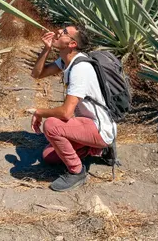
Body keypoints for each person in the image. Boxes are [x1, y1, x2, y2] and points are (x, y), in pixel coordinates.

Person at [30, 25, 117, 192]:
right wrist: (46, 49)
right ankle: (97, 149)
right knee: (49, 156)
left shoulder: (80, 69)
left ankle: (76, 172)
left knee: (51, 125)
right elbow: (37, 74)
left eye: (64, 33)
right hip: (86, 123)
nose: (58, 32)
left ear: (72, 44)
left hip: (99, 127)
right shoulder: (66, 61)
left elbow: (66, 113)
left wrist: (39, 112)